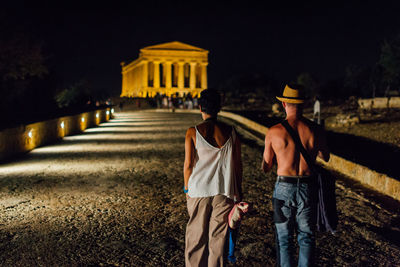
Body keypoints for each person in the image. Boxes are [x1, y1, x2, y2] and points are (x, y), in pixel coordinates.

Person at [262, 84, 330, 267]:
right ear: (303, 105)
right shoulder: (316, 129)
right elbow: (326, 157)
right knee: (306, 237)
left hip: (283, 189)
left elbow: (266, 167)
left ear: (284, 104)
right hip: (308, 187)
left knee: (284, 240)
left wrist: (279, 156)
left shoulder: (274, 131)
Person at [184, 89, 243, 267]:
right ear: (219, 108)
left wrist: (187, 189)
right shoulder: (232, 132)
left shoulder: (193, 132)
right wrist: (238, 191)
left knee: (196, 238)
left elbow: (188, 165)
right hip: (224, 191)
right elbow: (238, 165)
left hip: (198, 191)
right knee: (218, 241)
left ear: (200, 107)